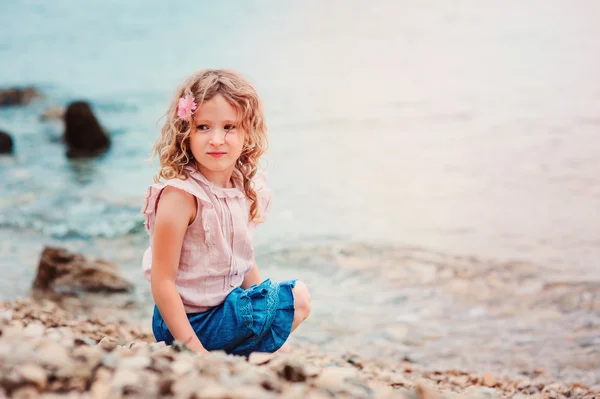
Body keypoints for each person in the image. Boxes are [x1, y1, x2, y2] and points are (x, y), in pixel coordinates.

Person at [141, 69, 311, 356]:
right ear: (186, 133)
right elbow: (163, 281)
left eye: (229, 127)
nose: (216, 139)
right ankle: (227, 353)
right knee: (298, 296)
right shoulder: (181, 196)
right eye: (203, 127)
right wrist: (193, 350)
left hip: (223, 310)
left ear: (247, 131)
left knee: (289, 303)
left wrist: (265, 312)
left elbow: (244, 258)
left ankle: (243, 353)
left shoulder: (243, 186)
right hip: (186, 321)